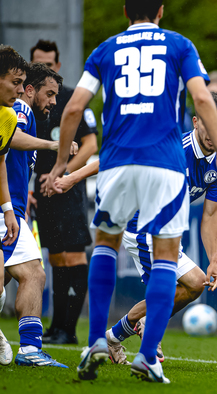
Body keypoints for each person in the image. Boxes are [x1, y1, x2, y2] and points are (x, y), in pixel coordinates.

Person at [40, 0, 217, 383]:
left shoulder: (105, 49)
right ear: (161, 11)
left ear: (125, 11)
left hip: (117, 159)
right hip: (162, 162)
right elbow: (200, 98)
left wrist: (62, 165)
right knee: (166, 256)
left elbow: (72, 109)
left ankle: (98, 339)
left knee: (104, 245)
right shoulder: (179, 45)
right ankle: (146, 355)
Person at [52, 92, 217, 365]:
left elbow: (211, 214)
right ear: (195, 122)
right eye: (206, 122)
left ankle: (114, 336)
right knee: (172, 288)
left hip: (167, 231)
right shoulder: (171, 147)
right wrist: (73, 178)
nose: (212, 130)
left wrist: (214, 260)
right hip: (141, 227)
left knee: (195, 286)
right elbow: (119, 157)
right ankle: (148, 337)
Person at [5, 62, 79, 368]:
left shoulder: (26, 114)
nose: (52, 102)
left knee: (34, 273)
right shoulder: (20, 108)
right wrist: (54, 144)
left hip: (14, 211)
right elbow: (12, 138)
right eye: (49, 94)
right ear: (30, 89)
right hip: (4, 211)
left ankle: (30, 350)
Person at [30, 39, 98, 345]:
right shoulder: (25, 105)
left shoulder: (70, 99)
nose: (43, 68)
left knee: (73, 256)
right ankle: (57, 327)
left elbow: (91, 145)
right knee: (55, 257)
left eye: (48, 63)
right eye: (37, 64)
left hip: (67, 189)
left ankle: (69, 329)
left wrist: (66, 174)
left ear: (57, 67)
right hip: (40, 189)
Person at [0, 45, 28, 366]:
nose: (21, 91)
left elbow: (1, 163)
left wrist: (8, 208)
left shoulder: (8, 117)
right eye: (15, 82)